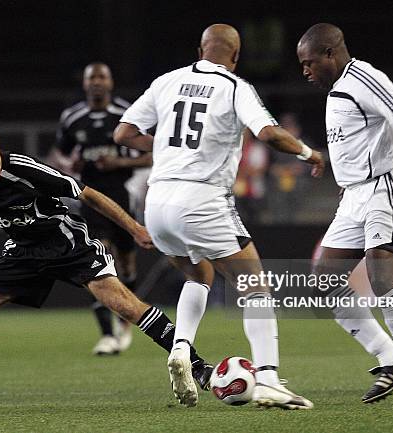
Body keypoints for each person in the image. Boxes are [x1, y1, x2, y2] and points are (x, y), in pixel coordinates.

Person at [0, 120, 212, 411]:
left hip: (66, 243)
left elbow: (89, 195)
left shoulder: (25, 169)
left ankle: (197, 365)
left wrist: (135, 228)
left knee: (125, 306)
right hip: (23, 252)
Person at [115, 24, 325, 409]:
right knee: (254, 285)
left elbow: (124, 133)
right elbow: (270, 134)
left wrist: (164, 148)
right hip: (202, 198)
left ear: (199, 50)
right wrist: (310, 155)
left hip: (157, 202)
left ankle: (181, 347)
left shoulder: (167, 81)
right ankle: (270, 381)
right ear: (236, 56)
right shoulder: (234, 86)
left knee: (200, 274)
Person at [297, 23, 393, 406]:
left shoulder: (363, 77)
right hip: (354, 195)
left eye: (308, 63)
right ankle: (391, 362)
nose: (305, 70)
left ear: (329, 54)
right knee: (322, 285)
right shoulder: (338, 89)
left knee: (381, 278)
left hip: (385, 189)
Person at [48, 63, 152, 356]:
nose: (97, 82)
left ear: (110, 82)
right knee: (98, 258)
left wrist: (120, 163)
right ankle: (107, 334)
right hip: (90, 199)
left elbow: (153, 156)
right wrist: (68, 166)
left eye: (102, 76)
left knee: (127, 264)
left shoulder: (125, 113)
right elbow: (59, 154)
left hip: (122, 196)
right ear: (84, 84)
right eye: (91, 77)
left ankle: (125, 324)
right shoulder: (73, 118)